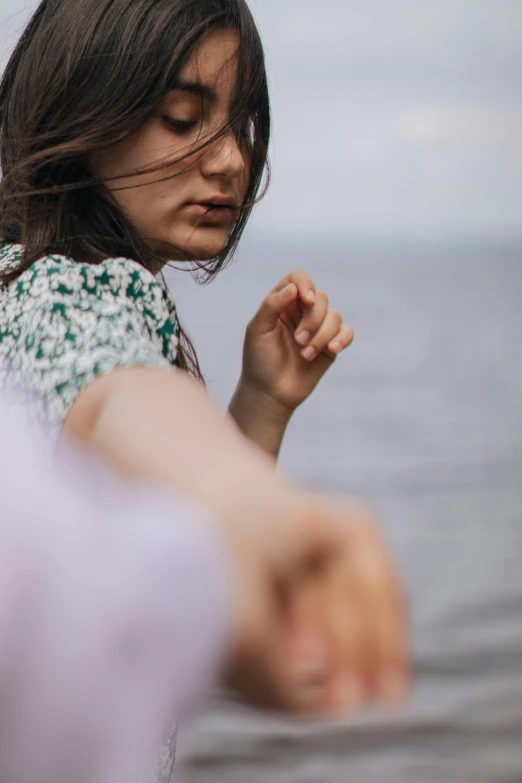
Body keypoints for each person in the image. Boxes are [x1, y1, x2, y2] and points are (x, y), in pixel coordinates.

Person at [0, 1, 409, 780]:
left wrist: (260, 405)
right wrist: (267, 511)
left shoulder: (10, 278)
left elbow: (175, 606)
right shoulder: (73, 295)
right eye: (183, 119)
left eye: (241, 124)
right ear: (82, 111)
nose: (229, 162)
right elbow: (112, 385)